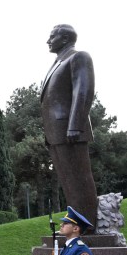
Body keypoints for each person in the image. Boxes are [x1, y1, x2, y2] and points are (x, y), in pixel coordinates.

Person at [40, 25, 99, 224]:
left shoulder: (78, 57)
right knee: (67, 181)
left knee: (78, 179)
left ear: (65, 38)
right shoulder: (58, 62)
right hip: (56, 132)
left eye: (52, 37)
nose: (48, 41)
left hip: (69, 129)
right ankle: (75, 222)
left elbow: (83, 90)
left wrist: (75, 125)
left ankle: (86, 223)